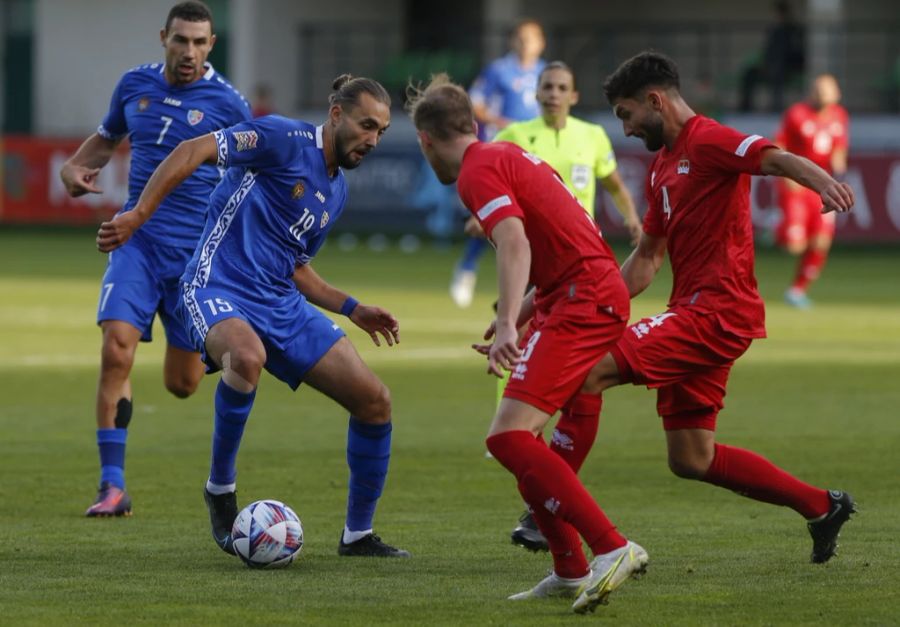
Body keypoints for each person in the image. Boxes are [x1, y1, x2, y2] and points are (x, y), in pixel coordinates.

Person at [503, 51, 855, 584]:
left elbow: (774, 157)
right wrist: (579, 304)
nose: (624, 129)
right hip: (694, 312)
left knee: (589, 369)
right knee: (692, 457)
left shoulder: (708, 139)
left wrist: (821, 181)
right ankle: (821, 505)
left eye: (626, 114)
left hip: (716, 313)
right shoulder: (663, 168)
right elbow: (645, 262)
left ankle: (545, 510)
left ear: (654, 101)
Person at [96, 75, 410, 558]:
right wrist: (138, 215)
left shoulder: (336, 191)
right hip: (215, 285)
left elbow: (296, 266)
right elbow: (192, 150)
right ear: (335, 115)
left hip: (279, 302)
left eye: (382, 131)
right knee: (245, 357)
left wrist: (352, 307)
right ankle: (220, 489)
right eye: (367, 125)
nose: (372, 139)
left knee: (376, 401)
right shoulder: (283, 138)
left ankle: (358, 535)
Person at [408, 74, 647, 613]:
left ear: (426, 140)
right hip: (577, 293)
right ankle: (569, 567)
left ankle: (611, 547)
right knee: (529, 449)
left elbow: (514, 240)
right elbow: (555, 239)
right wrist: (521, 310)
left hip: (582, 300)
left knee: (508, 439)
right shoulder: (506, 153)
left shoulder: (477, 170)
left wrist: (512, 327)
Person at [59, 1, 251, 518]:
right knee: (116, 349)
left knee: (182, 384)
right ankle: (112, 486)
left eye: (199, 42)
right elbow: (105, 138)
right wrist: (76, 167)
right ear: (163, 37)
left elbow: (252, 178)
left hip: (194, 261)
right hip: (135, 242)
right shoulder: (133, 86)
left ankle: (185, 353)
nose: (188, 52)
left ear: (212, 46)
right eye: (180, 40)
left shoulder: (231, 105)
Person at [485, 61, 641, 552]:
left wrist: (634, 220)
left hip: (578, 273)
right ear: (536, 94)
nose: (552, 94)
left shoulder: (593, 136)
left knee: (561, 387)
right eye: (545, 87)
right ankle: (550, 516)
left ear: (573, 96)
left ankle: (549, 504)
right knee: (534, 371)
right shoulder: (514, 135)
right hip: (531, 264)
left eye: (561, 88)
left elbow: (613, 184)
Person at [450, 18, 547, 308]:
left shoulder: (546, 72)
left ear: (541, 43)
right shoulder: (499, 70)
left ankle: (531, 287)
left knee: (527, 220)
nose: (525, 44)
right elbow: (475, 103)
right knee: (494, 214)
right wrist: (499, 121)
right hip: (501, 151)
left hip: (534, 154)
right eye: (520, 38)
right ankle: (467, 268)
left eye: (531, 39)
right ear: (512, 42)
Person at [775, 74, 849, 308]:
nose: (824, 94)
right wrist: (785, 172)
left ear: (836, 94)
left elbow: (839, 146)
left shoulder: (839, 116)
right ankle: (774, 227)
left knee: (821, 241)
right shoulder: (797, 114)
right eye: (820, 90)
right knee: (794, 245)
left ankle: (796, 291)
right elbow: (779, 143)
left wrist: (839, 161)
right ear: (812, 92)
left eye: (828, 90)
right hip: (798, 182)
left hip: (822, 184)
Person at [739, 0, 806, 113]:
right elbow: (767, 51)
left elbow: (796, 52)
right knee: (749, 74)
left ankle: (775, 108)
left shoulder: (793, 30)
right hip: (769, 66)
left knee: (777, 72)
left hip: (787, 67)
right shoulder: (773, 30)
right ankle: (745, 107)